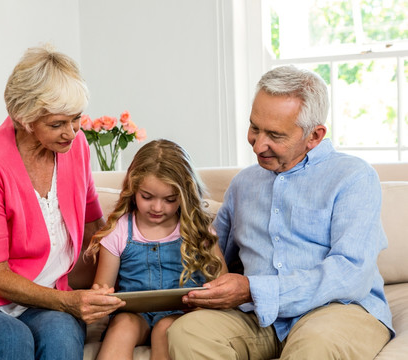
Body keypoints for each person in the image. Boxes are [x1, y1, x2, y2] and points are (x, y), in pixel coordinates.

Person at [167, 65, 395, 359]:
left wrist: (254, 289)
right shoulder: (243, 184)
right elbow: (214, 257)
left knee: (315, 345)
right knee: (188, 332)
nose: (258, 145)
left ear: (314, 135)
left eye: (274, 134)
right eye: (254, 128)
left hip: (338, 310)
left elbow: (351, 274)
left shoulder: (353, 177)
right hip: (259, 318)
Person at [0, 43, 124, 360]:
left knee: (61, 338)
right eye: (57, 124)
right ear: (24, 119)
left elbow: (94, 229)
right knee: (11, 339)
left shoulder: (78, 147)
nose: (71, 133)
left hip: (45, 301)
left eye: (76, 120)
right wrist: (69, 302)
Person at [85, 139, 228, 360]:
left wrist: (202, 307)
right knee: (122, 325)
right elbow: (103, 288)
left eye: (170, 199)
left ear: (184, 196)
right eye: (147, 197)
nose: (157, 208)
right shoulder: (120, 230)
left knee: (165, 329)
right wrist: (100, 296)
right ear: (133, 190)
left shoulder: (198, 231)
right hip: (134, 316)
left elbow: (223, 284)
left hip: (181, 316)